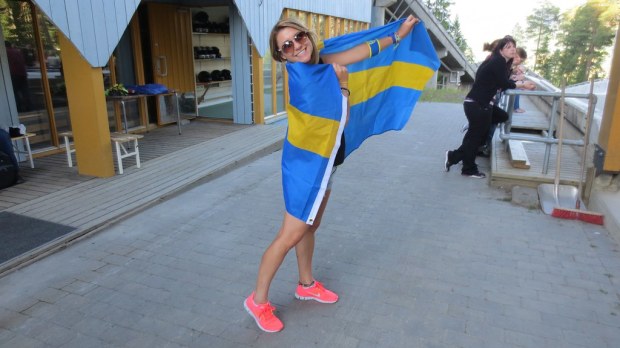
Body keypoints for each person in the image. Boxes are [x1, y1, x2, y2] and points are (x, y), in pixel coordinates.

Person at [244, 15, 419, 333]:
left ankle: (306, 284)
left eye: (298, 37)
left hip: (326, 165)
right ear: (281, 55)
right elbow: (341, 121)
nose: (297, 46)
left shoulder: (321, 57)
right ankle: (257, 301)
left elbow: (362, 51)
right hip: (306, 169)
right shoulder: (306, 79)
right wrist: (343, 87)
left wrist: (397, 36)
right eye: (287, 45)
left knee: (310, 227)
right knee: (290, 234)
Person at [445, 35, 520, 179]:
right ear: (500, 49)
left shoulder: (498, 62)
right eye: (508, 47)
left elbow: (500, 80)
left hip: (479, 104)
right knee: (476, 138)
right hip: (478, 105)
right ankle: (467, 168)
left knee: (487, 127)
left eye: (514, 46)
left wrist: (513, 72)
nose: (513, 49)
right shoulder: (498, 61)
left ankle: (455, 157)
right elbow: (504, 83)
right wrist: (521, 84)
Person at [512, 47, 529, 113]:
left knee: (518, 88)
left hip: (512, 82)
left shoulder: (517, 65)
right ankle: (516, 107)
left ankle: (516, 107)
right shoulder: (512, 64)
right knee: (517, 89)